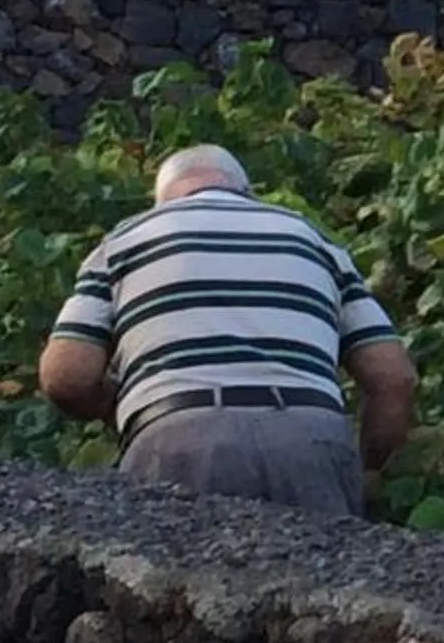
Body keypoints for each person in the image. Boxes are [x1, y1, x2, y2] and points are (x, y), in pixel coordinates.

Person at [37, 146, 416, 517]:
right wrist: (364, 464)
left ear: (161, 202)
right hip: (310, 440)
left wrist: (123, 411)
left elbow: (66, 376)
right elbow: (394, 379)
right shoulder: (314, 240)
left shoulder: (125, 241)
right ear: (246, 191)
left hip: (178, 439)